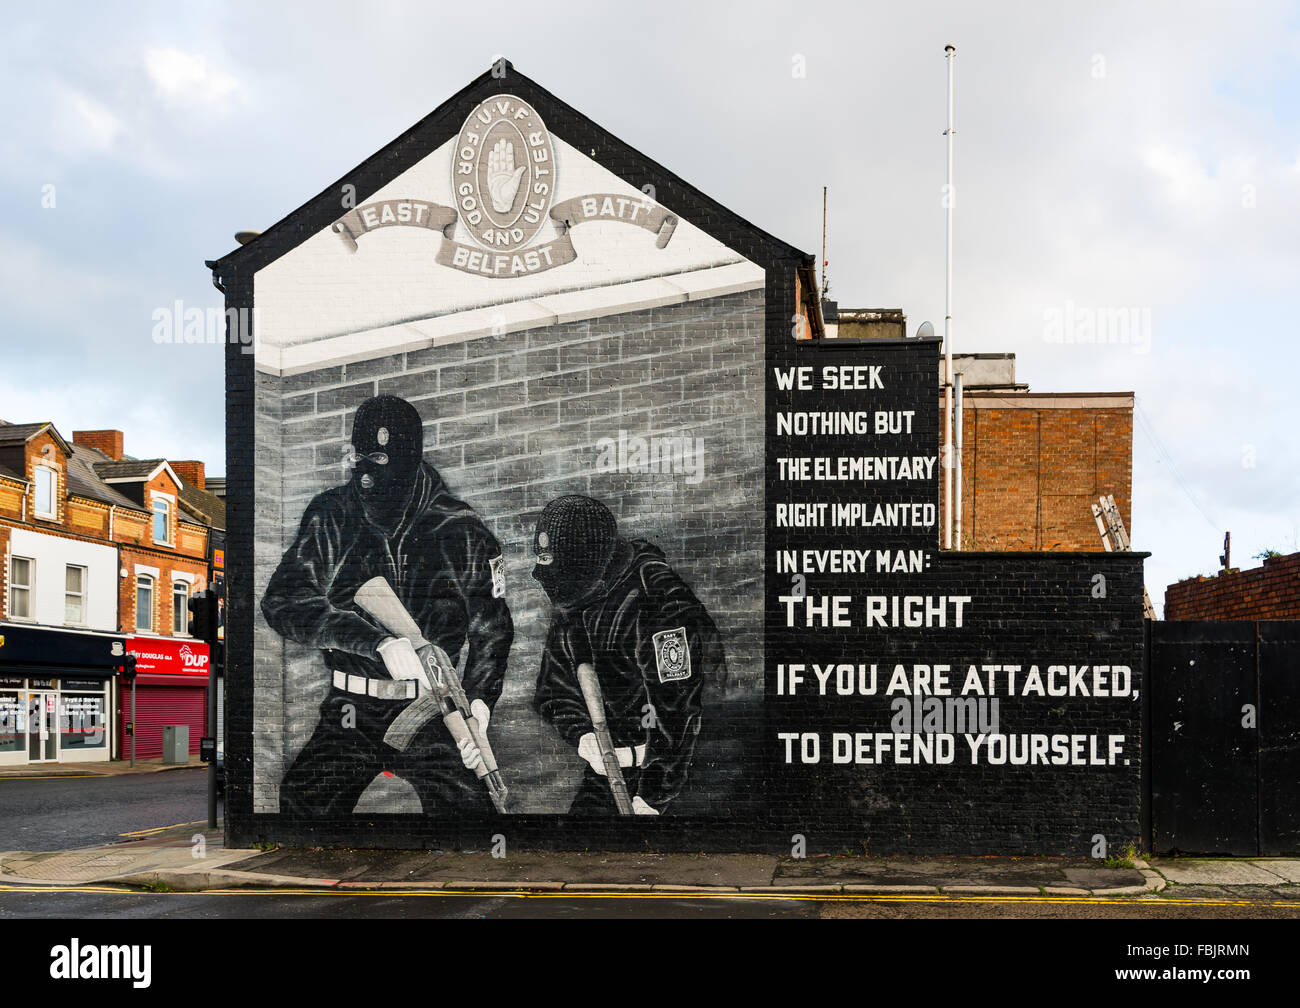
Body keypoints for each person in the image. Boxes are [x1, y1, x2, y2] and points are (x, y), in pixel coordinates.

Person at [262, 395, 513, 816]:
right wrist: (375, 642)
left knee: (471, 812)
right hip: (350, 710)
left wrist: (479, 703)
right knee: (302, 803)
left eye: (377, 457)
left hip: (433, 706)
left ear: (408, 457)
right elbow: (284, 601)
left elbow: (492, 627)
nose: (363, 471)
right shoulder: (332, 515)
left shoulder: (462, 529)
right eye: (358, 457)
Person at [530, 495, 722, 815]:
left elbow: (678, 709)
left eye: (549, 558)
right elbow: (553, 688)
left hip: (673, 774)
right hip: (611, 766)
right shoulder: (575, 596)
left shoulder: (656, 599)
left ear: (582, 558)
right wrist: (582, 736)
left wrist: (653, 796)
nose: (539, 573)